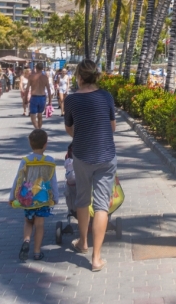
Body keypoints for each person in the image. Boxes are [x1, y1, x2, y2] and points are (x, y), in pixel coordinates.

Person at [64, 59, 116, 272]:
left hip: (82, 155)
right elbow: (112, 127)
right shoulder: (106, 96)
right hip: (106, 154)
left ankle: (83, 243)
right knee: (102, 205)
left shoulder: (71, 100)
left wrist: (82, 135)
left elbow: (69, 128)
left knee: (82, 199)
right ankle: (96, 259)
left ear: (79, 76)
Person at [8, 129, 59, 262]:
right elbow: (53, 181)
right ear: (46, 144)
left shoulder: (25, 160)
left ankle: (26, 240)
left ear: (30, 144)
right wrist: (56, 197)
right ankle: (37, 252)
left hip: (28, 197)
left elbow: (18, 179)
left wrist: (12, 197)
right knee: (40, 225)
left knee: (28, 221)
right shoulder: (50, 161)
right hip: (43, 197)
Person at [27, 63, 52, 130]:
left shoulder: (31, 77)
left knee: (33, 115)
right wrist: (50, 100)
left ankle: (37, 129)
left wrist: (25, 99)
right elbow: (49, 90)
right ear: (42, 68)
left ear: (36, 68)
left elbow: (27, 89)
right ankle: (39, 129)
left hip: (34, 97)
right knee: (40, 114)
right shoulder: (45, 77)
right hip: (42, 97)